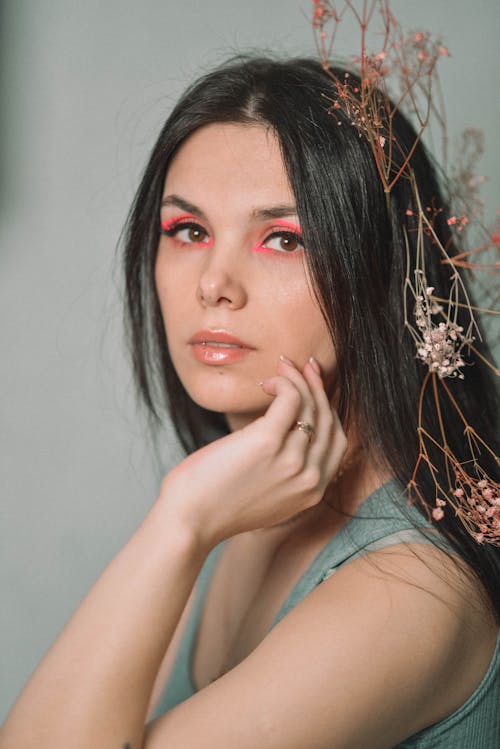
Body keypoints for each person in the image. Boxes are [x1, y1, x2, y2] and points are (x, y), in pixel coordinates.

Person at [1, 55, 499, 749]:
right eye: (189, 231)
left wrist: (181, 516)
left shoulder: (409, 592)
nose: (214, 284)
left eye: (283, 238)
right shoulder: (241, 506)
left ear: (382, 271)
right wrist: (190, 522)